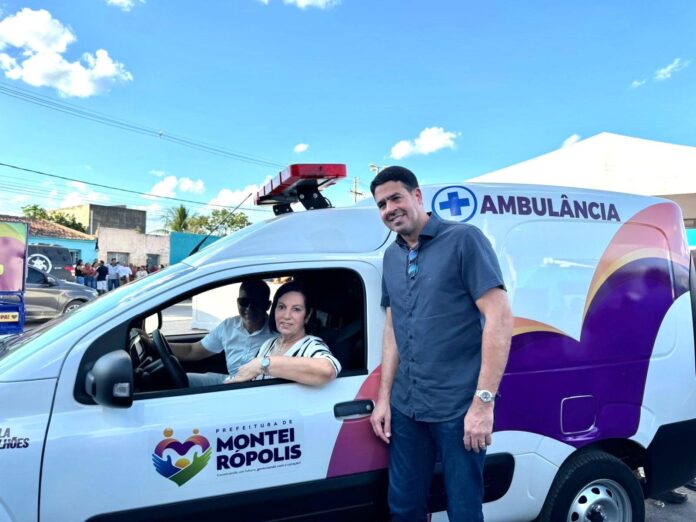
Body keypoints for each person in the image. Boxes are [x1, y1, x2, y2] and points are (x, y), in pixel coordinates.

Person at [369, 166, 513, 522]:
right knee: (404, 507)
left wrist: (483, 404)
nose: (389, 209)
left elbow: (499, 318)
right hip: (407, 408)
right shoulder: (391, 256)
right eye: (382, 204)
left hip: (458, 408)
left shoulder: (463, 240)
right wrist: (384, 398)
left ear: (417, 196)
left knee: (464, 510)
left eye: (396, 198)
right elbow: (393, 327)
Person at [230, 281, 341, 386]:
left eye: (296, 309)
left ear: (307, 315)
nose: (286, 316)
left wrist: (263, 364)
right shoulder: (268, 344)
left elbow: (327, 370)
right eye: (281, 307)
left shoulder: (311, 345)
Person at [169, 280, 276, 387]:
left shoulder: (277, 334)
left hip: (259, 388)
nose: (249, 308)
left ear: (267, 305)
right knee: (177, 379)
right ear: (237, 302)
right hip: (230, 381)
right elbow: (192, 350)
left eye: (256, 303)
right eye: (244, 302)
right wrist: (160, 346)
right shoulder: (228, 326)